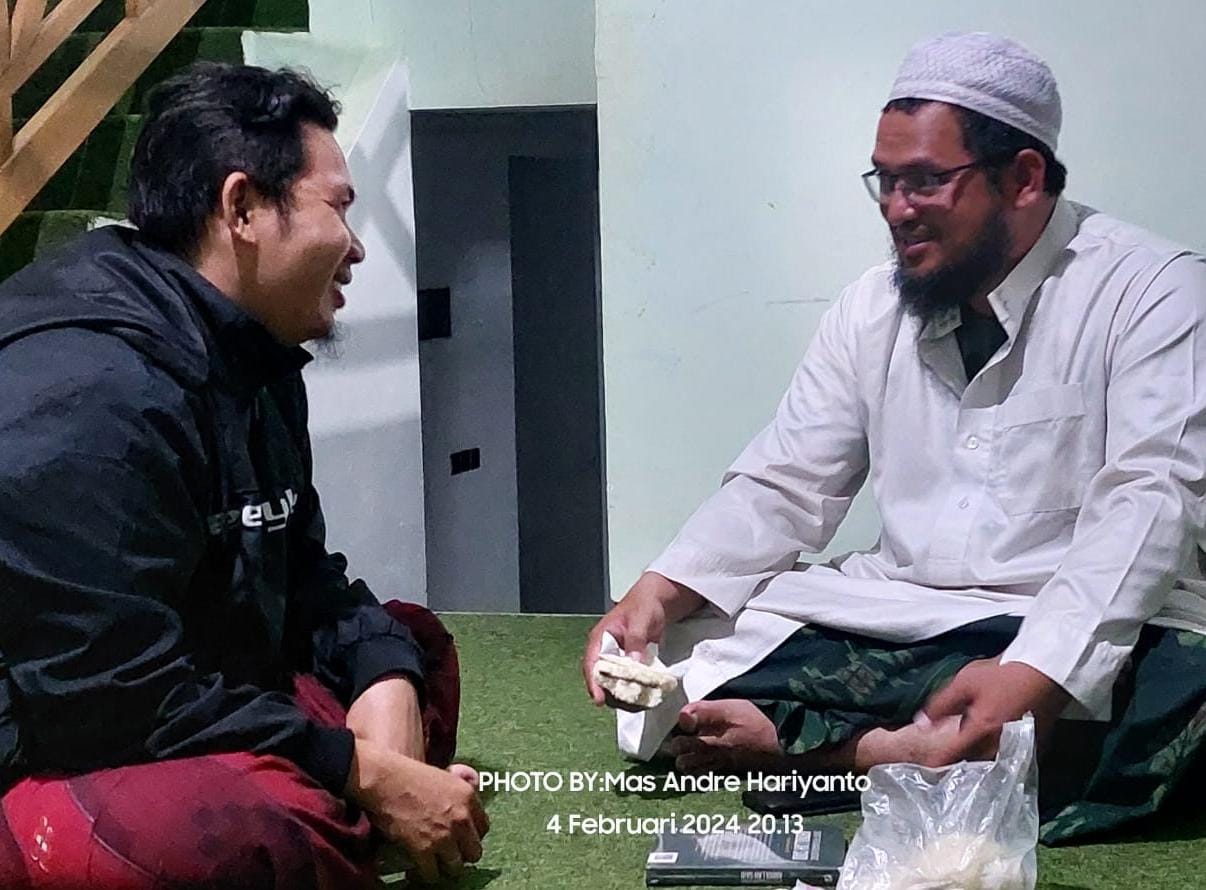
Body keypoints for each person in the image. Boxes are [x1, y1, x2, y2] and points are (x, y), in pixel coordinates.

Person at [583, 31, 1206, 843]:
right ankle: (918, 750)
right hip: (905, 612)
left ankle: (834, 749)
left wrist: (1035, 673)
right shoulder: (871, 306)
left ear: (1022, 178)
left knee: (1173, 699)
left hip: (1080, 616)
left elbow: (1149, 501)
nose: (895, 208)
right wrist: (658, 594)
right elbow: (788, 481)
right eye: (885, 180)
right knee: (693, 646)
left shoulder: (1153, 292)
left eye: (925, 182)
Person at [0, 63, 487, 887]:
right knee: (246, 830)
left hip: (182, 685)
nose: (359, 246)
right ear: (243, 208)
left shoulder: (252, 353)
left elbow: (300, 574)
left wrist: (383, 682)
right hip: (65, 733)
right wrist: (362, 770)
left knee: (411, 646)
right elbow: (106, 694)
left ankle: (351, 808)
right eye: (339, 207)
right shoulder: (83, 390)